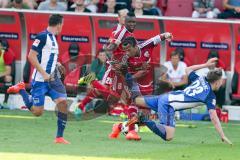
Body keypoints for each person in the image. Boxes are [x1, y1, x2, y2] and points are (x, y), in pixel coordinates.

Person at [124, 57, 232, 145]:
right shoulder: (210, 96)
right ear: (217, 82)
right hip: (168, 104)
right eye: (221, 81)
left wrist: (205, 65)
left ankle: (128, 77)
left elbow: (188, 69)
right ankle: (143, 118)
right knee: (168, 136)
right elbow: (213, 117)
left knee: (136, 100)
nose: (222, 83)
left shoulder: (200, 79)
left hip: (166, 97)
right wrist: (222, 135)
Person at [7, 14, 70, 144]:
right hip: (41, 80)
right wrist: (44, 73)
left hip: (53, 79)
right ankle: (22, 89)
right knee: (37, 112)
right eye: (62, 25)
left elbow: (47, 56)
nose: (62, 27)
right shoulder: (42, 36)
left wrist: (56, 64)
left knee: (63, 103)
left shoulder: (53, 38)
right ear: (58, 24)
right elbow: (31, 56)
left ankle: (59, 137)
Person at [0, 39, 15, 108]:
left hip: (2, 75)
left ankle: (5, 102)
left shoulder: (7, 53)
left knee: (8, 78)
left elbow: (8, 72)